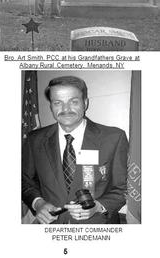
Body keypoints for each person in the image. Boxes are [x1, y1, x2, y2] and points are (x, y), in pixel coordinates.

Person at [22, 76, 129, 224]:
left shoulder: (114, 138)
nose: (65, 109)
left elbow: (124, 187)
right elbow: (25, 181)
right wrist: (38, 203)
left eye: (73, 101)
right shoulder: (34, 139)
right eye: (57, 102)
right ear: (51, 106)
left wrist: (98, 207)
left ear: (85, 103)